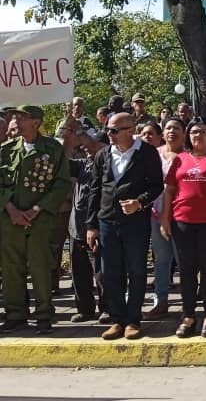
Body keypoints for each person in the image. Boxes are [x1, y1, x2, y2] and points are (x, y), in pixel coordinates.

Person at [86, 112, 164, 340]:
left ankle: (133, 319)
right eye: (108, 129)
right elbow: (95, 189)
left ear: (130, 130)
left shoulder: (146, 153)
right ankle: (117, 319)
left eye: (114, 130)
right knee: (111, 272)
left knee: (137, 270)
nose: (108, 134)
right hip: (107, 220)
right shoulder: (103, 155)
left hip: (135, 223)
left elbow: (156, 185)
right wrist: (91, 224)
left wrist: (139, 203)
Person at [160, 117, 206, 338]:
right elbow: (169, 191)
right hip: (182, 221)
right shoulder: (180, 160)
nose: (197, 135)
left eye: (202, 131)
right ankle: (188, 315)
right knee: (187, 270)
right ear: (188, 136)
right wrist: (165, 218)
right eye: (193, 132)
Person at [0, 106, 71, 335]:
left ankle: (43, 314)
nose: (16, 121)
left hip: (40, 220)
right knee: (12, 268)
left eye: (22, 117)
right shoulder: (7, 150)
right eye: (15, 117)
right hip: (11, 220)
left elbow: (61, 183)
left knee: (40, 267)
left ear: (36, 122)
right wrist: (10, 209)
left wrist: (38, 209)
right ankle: (15, 315)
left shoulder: (52, 148)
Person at [144, 117, 185, 321]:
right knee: (161, 260)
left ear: (183, 133)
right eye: (168, 128)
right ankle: (161, 301)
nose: (172, 131)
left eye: (176, 128)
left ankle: (189, 303)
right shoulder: (154, 155)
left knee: (185, 261)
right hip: (157, 215)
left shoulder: (188, 156)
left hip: (182, 216)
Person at [67, 129, 107, 323]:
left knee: (101, 272)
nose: (86, 149)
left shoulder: (108, 165)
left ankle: (107, 308)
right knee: (79, 273)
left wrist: (80, 131)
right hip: (76, 229)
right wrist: (67, 134)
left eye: (92, 146)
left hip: (97, 228)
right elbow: (61, 161)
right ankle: (85, 309)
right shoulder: (82, 164)